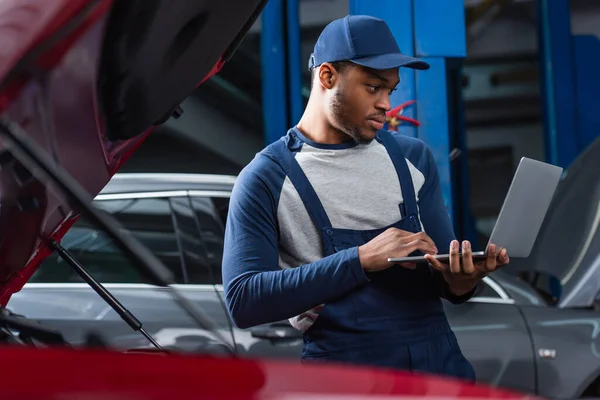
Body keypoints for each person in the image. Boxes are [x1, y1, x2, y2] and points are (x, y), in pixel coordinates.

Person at [221, 14, 509, 380]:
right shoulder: (266, 178)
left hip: (437, 365)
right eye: (373, 87)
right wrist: (360, 259)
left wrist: (465, 279)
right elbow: (245, 301)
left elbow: (444, 278)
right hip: (345, 375)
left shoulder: (412, 159)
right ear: (327, 77)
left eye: (390, 89)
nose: (386, 104)